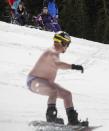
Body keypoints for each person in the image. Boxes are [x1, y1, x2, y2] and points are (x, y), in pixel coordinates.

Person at [27, 31, 88, 126]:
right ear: (62, 42)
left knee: (67, 95)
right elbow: (58, 64)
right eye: (67, 44)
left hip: (45, 82)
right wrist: (74, 66)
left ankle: (73, 121)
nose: (67, 47)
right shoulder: (52, 52)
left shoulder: (55, 53)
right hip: (34, 80)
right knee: (53, 91)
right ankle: (51, 117)